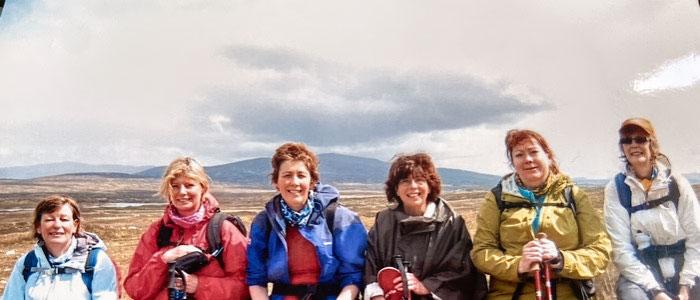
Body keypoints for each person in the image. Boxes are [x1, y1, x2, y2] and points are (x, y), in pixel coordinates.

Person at [471, 129, 611, 299]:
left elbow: (600, 251)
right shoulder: (497, 198)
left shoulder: (573, 195)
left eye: (534, 152)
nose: (528, 159)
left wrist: (561, 259)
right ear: (513, 162)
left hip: (569, 294)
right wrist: (518, 265)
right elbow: (481, 252)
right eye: (519, 155)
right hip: (511, 295)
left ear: (548, 157)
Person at [247, 142, 367, 299]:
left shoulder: (340, 218)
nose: (294, 182)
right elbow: (256, 277)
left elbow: (353, 274)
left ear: (312, 181)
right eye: (287, 175)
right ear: (276, 182)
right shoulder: (264, 222)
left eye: (301, 175)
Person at [364, 153, 487, 300]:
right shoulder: (383, 222)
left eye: (419, 180)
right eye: (405, 181)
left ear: (430, 186)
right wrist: (377, 295)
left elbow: (463, 271)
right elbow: (370, 264)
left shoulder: (451, 223)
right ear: (396, 188)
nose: (413, 186)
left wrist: (427, 286)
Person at [124, 157, 249, 300]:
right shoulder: (157, 231)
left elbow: (246, 287)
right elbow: (135, 290)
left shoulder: (223, 229)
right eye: (175, 186)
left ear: (203, 188)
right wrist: (163, 259)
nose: (182, 192)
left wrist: (197, 285)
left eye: (189, 185)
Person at [604, 118, 700, 300]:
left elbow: (697, 238)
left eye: (640, 139)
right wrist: (656, 292)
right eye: (626, 140)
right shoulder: (616, 188)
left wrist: (685, 287)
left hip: (684, 265)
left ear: (652, 143)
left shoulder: (676, 183)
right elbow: (621, 249)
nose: (633, 145)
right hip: (642, 269)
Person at [2, 195, 119, 300]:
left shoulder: (97, 261)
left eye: (64, 219)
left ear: (75, 225)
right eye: (49, 219)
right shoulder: (26, 263)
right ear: (38, 226)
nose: (57, 225)